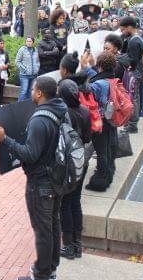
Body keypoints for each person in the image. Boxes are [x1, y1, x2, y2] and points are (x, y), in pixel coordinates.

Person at [0, 77, 67, 280]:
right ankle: (51, 268)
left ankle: (42, 274)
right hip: (56, 177)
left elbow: (30, 154)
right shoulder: (60, 110)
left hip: (40, 182)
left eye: (34, 89)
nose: (32, 92)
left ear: (40, 93)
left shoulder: (39, 120)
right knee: (52, 225)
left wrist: (5, 139)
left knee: (43, 230)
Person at [57, 79, 92, 260]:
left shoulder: (63, 114)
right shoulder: (85, 111)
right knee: (75, 202)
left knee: (65, 204)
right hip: (82, 161)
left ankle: (69, 246)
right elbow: (87, 137)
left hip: (68, 165)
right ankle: (77, 244)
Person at [81, 52, 118, 191]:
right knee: (107, 150)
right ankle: (107, 176)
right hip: (109, 120)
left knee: (101, 151)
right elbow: (96, 75)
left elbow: (87, 90)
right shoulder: (111, 78)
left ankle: (100, 181)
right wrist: (87, 67)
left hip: (99, 121)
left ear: (101, 65)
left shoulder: (99, 84)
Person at [120, 16, 143, 134]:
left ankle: (133, 124)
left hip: (134, 73)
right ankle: (132, 122)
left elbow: (133, 61)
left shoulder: (134, 41)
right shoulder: (135, 38)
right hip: (136, 73)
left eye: (123, 29)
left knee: (133, 98)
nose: (122, 32)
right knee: (135, 97)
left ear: (129, 27)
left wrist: (120, 58)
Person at [16, 36, 40, 101]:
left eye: (30, 41)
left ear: (33, 42)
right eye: (27, 41)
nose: (28, 43)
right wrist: (24, 69)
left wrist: (37, 68)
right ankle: (18, 106)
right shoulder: (22, 50)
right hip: (24, 75)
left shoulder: (36, 50)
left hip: (34, 75)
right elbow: (17, 61)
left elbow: (37, 61)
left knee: (30, 91)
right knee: (24, 91)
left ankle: (28, 106)